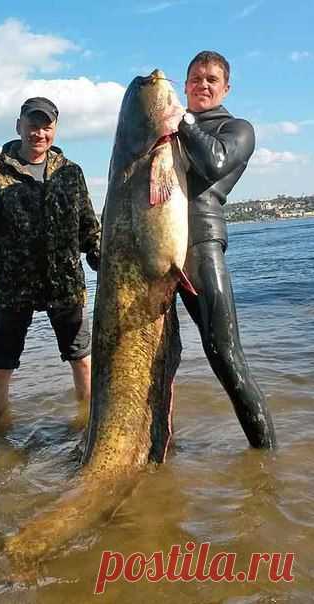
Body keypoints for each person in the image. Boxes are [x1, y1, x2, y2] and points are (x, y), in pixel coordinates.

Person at [0, 97, 101, 422]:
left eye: (46, 126)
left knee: (83, 362)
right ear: (19, 126)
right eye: (33, 125)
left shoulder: (72, 173)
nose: (39, 133)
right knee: (0, 367)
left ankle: (89, 433)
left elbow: (90, 230)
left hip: (65, 287)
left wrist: (115, 271)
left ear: (55, 129)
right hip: (12, 289)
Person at [175, 50, 277, 448]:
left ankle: (265, 457)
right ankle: (153, 449)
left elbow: (213, 163)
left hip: (200, 245)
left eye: (211, 79)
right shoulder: (168, 132)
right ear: (185, 85)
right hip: (158, 250)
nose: (203, 84)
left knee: (225, 356)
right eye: (196, 78)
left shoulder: (238, 128)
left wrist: (181, 121)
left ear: (225, 87)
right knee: (153, 354)